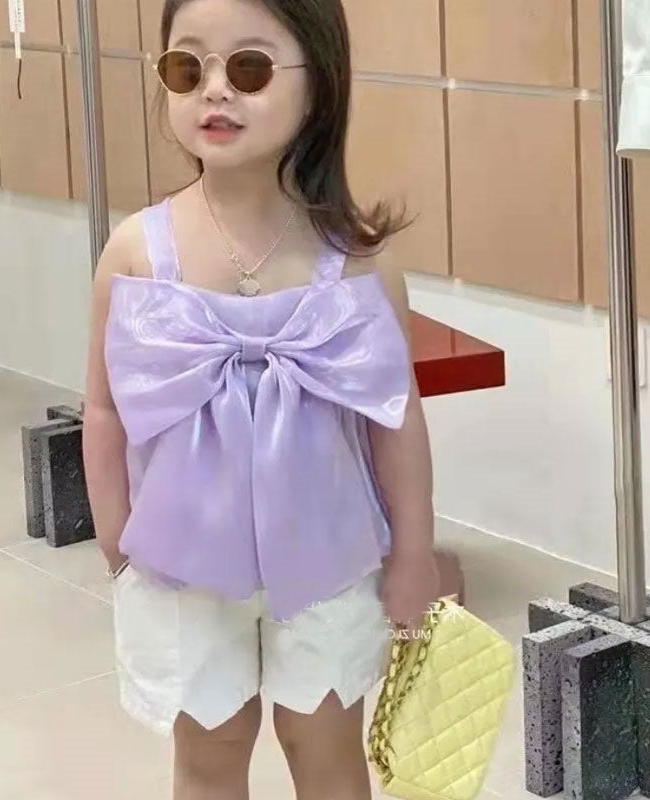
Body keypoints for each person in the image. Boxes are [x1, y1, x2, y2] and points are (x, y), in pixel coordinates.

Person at [81, 1, 439, 798]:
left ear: (320, 84)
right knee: (208, 754)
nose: (215, 90)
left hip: (329, 557)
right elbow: (102, 408)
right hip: (182, 561)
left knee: (327, 748)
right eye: (187, 68)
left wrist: (414, 552)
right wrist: (115, 533)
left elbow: (397, 417)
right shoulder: (136, 251)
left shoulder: (357, 263)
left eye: (250, 68)